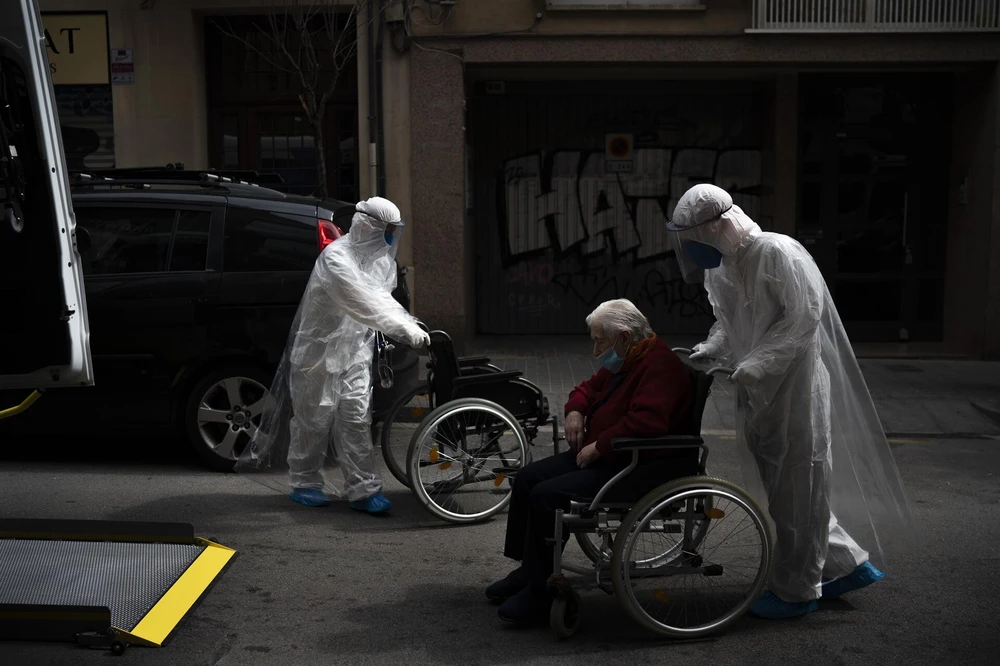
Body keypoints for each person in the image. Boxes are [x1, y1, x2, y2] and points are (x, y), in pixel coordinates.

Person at [665, 183, 918, 619]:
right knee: (791, 494)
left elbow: (804, 317)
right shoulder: (722, 269)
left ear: (720, 225)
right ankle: (844, 565)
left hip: (797, 391)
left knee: (799, 491)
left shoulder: (777, 252)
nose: (691, 247)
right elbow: (729, 322)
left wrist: (760, 362)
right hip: (759, 394)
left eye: (695, 236)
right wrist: (714, 347)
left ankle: (796, 592)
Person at [486, 298, 695, 623]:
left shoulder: (660, 366)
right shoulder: (627, 359)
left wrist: (600, 446)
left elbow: (648, 422)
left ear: (624, 337)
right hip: (607, 456)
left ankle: (539, 592)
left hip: (634, 465)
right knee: (527, 478)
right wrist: (575, 411)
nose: (595, 350)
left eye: (600, 341)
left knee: (546, 495)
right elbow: (585, 388)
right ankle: (530, 570)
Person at [236, 196, 430, 515]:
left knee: (356, 420)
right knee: (314, 422)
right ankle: (304, 482)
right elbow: (363, 301)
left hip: (354, 353)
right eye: (386, 231)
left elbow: (384, 300)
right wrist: (404, 329)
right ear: (368, 226)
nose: (390, 239)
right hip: (318, 356)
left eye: (393, 232)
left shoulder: (381, 261)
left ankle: (363, 489)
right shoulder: (336, 257)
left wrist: (408, 323)